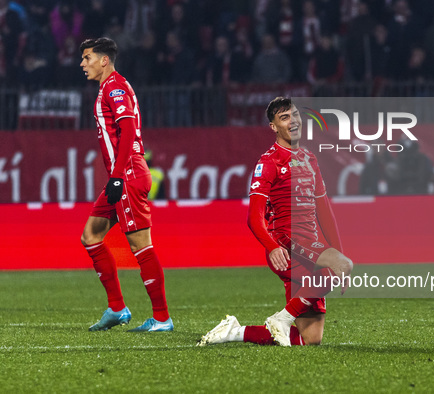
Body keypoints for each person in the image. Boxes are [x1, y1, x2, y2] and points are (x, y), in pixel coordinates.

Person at [198, 97, 353, 347]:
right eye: (284, 117)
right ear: (273, 127)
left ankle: (235, 331)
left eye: (295, 115)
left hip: (309, 244)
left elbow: (325, 212)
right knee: (339, 267)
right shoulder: (269, 162)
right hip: (287, 242)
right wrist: (271, 246)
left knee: (309, 339)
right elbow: (253, 217)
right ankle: (282, 318)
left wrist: (338, 253)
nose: (293, 121)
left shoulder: (309, 159)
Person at [79, 37, 173, 331]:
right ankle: (117, 308)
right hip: (121, 175)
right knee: (91, 236)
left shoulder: (116, 87)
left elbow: (129, 128)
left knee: (140, 245)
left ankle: (161, 318)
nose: (82, 64)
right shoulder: (107, 88)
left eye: (87, 58)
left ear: (103, 60)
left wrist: (118, 175)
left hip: (128, 173)